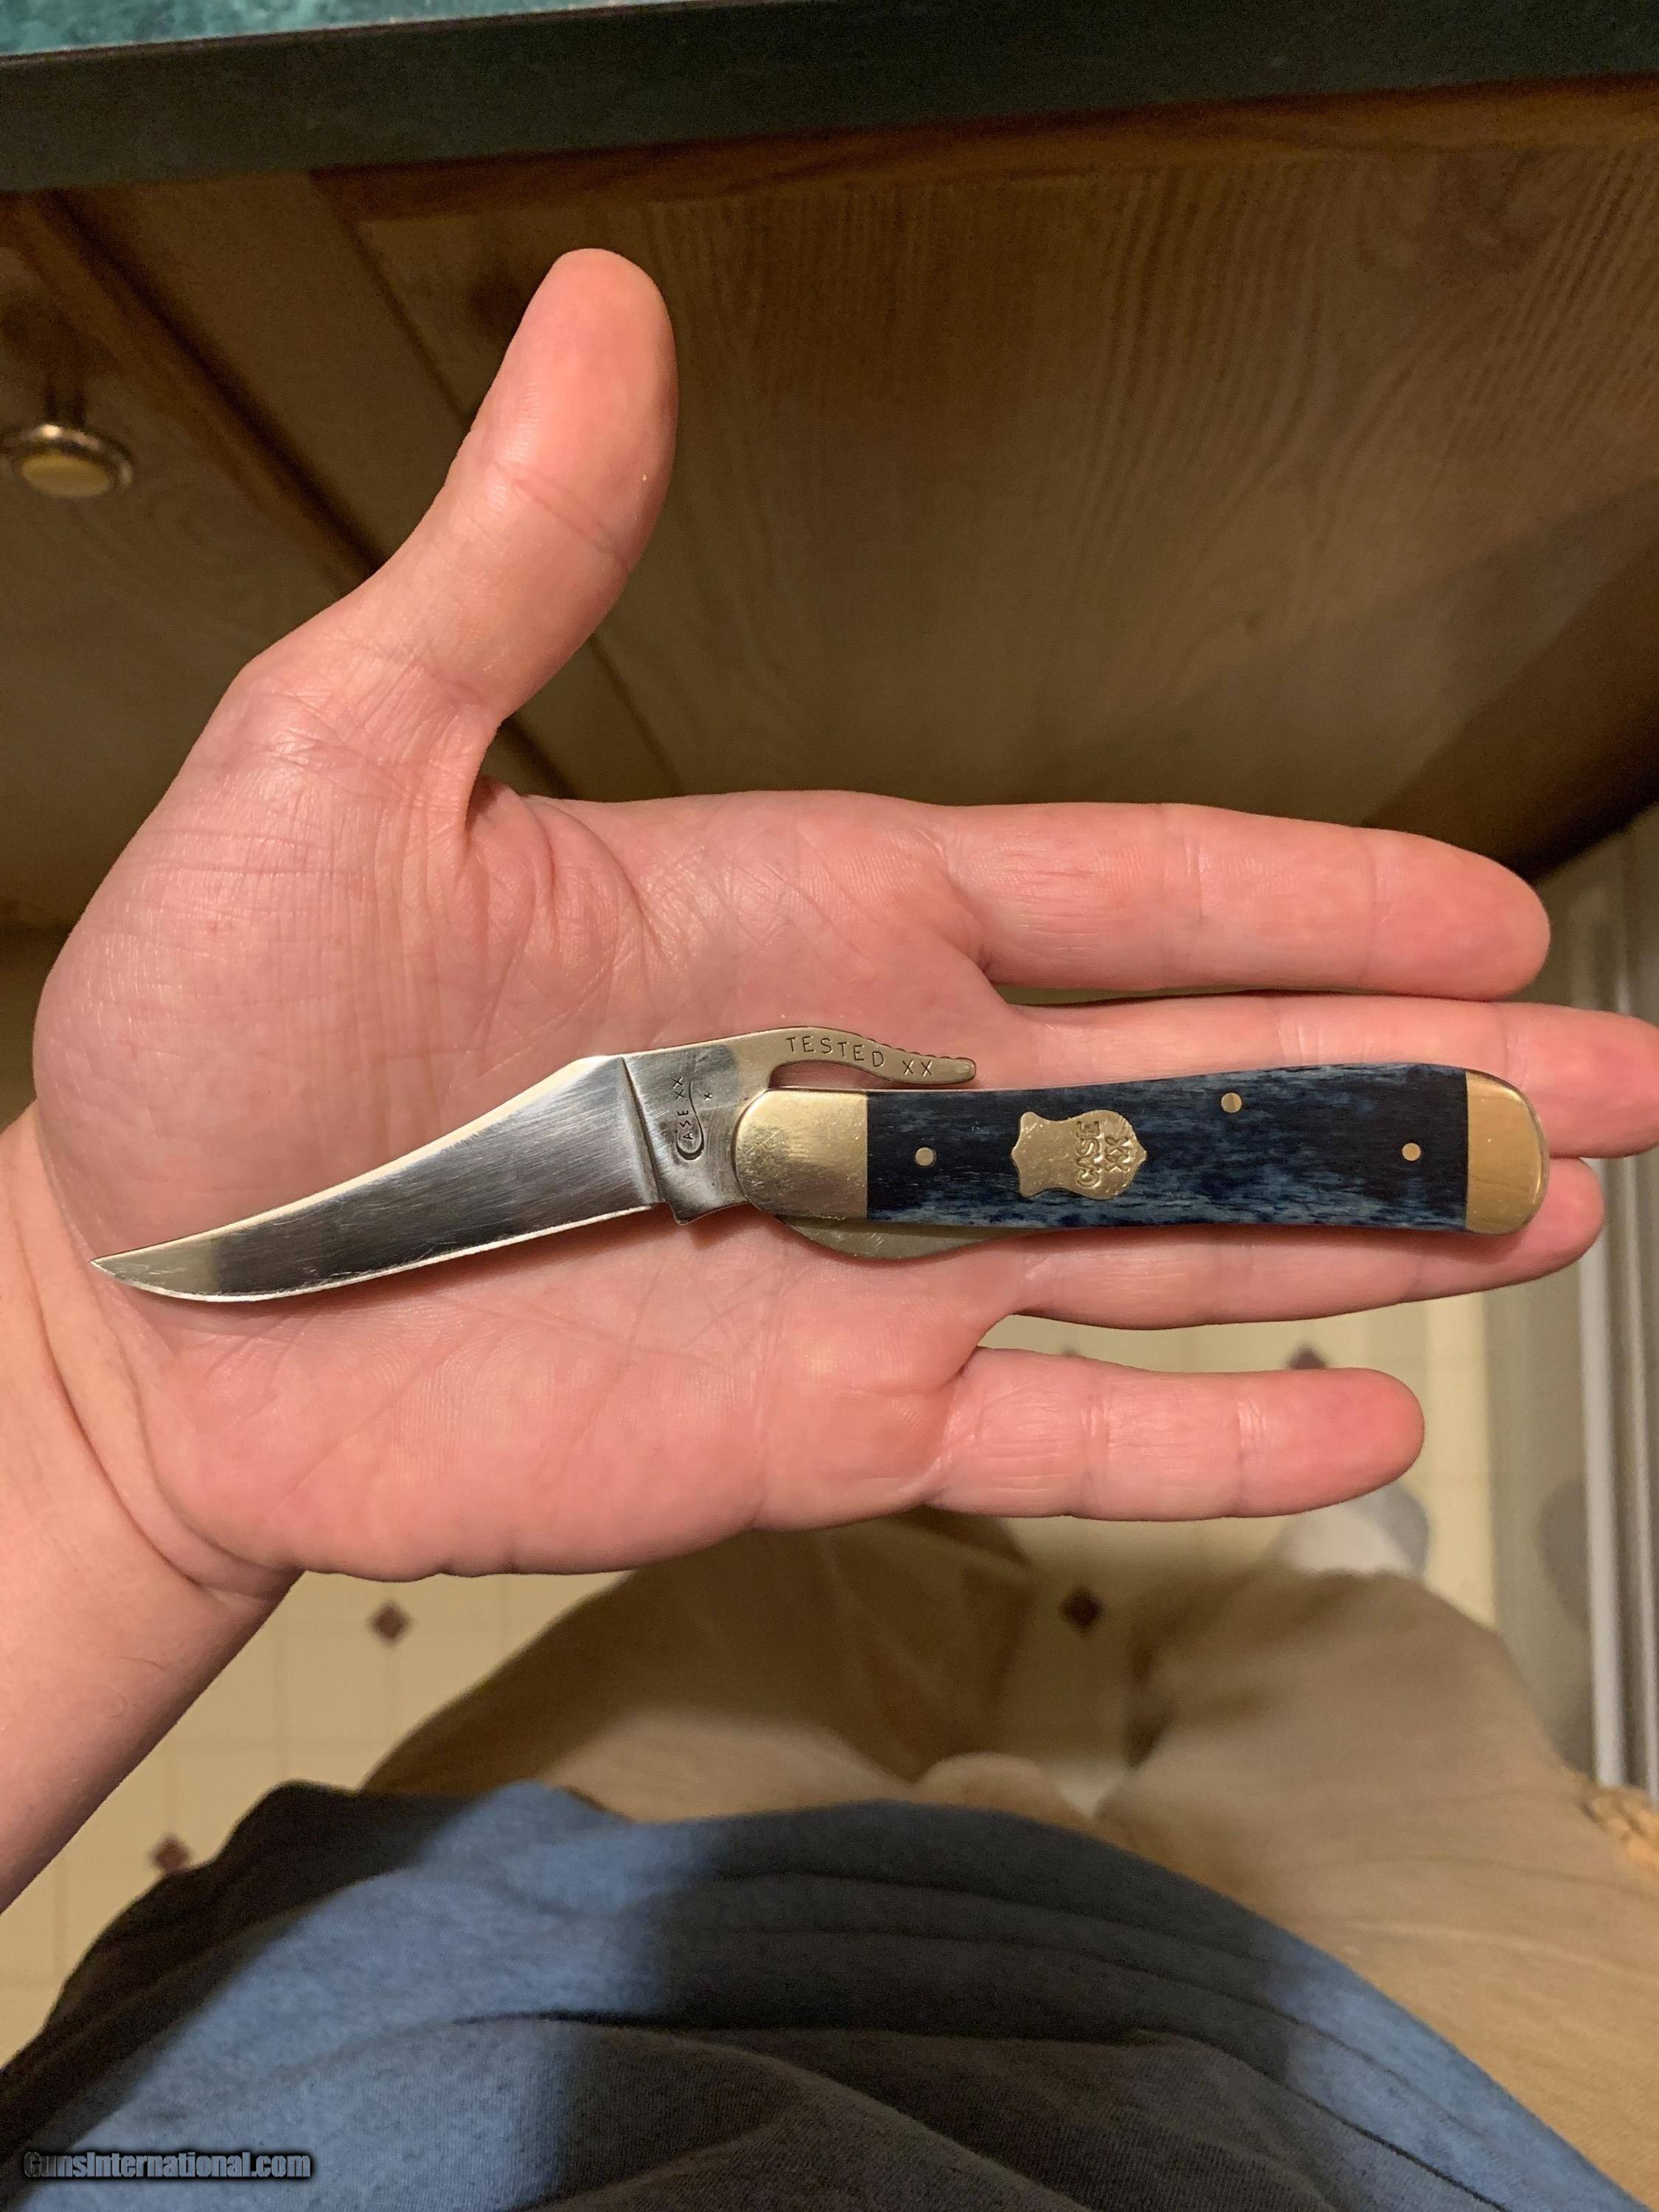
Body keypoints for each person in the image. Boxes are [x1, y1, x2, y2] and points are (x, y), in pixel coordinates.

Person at [1, 251, 1656, 2208]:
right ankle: (1295, 1598)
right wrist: (91, 1416)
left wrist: (90, 1432)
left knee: (791, 1598)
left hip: (430, 1970)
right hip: (1378, 2117)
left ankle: (1120, 1583)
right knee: (1367, 1677)